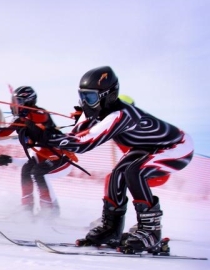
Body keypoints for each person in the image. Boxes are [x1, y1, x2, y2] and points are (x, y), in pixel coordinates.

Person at [23, 66, 194, 253]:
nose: (85, 102)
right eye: (82, 96)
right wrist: (41, 133)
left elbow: (85, 143)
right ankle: (111, 229)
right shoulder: (98, 113)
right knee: (116, 176)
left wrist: (45, 136)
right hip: (147, 147)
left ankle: (151, 232)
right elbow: (73, 136)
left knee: (134, 171)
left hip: (178, 146)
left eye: (90, 97)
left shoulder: (121, 115)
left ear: (108, 95)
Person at [0, 86, 77, 218]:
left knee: (38, 172)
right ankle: (27, 208)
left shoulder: (39, 113)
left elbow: (40, 117)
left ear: (29, 102)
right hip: (45, 154)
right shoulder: (20, 120)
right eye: (14, 102)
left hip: (62, 156)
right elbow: (2, 133)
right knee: (27, 169)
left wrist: (25, 116)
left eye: (19, 102)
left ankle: (50, 211)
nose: (15, 106)